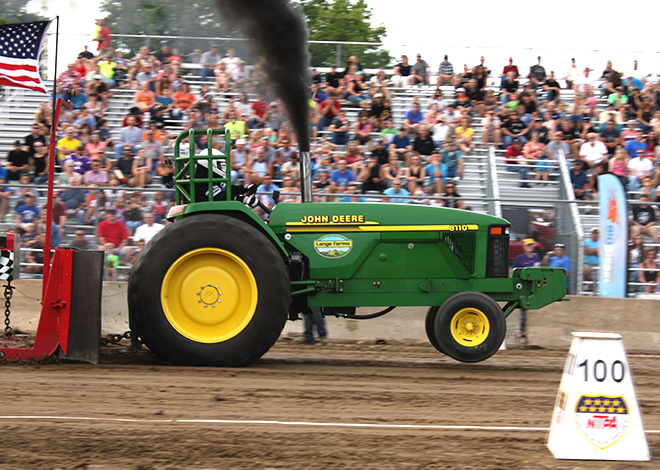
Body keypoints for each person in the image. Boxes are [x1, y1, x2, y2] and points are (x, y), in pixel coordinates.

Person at [511, 238, 541, 343]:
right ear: (524, 247)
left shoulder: (536, 258)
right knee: (522, 309)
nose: (529, 247)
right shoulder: (520, 258)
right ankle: (521, 331)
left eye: (531, 245)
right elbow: (514, 271)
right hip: (522, 287)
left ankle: (526, 332)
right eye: (527, 245)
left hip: (532, 287)